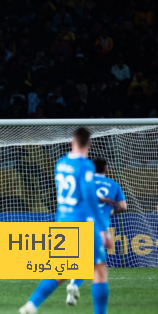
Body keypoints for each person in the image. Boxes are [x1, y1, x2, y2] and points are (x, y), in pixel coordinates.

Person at [19, 128, 113, 314]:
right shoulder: (86, 166)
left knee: (62, 270)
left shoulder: (60, 163)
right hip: (82, 222)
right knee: (99, 269)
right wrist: (102, 229)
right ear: (90, 144)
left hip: (63, 220)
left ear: (72, 142)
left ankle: (31, 305)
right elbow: (88, 196)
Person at [66, 157, 127, 306]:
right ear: (106, 169)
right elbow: (123, 207)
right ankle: (74, 286)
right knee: (98, 267)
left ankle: (73, 286)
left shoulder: (85, 182)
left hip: (80, 222)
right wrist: (110, 212)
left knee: (85, 260)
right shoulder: (113, 185)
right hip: (99, 227)